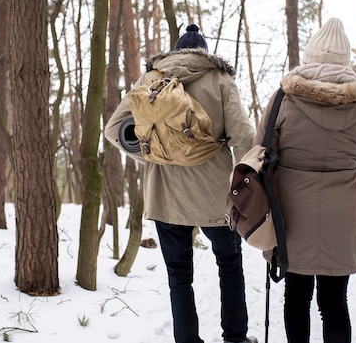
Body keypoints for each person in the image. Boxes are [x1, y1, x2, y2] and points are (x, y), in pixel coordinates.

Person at [105, 24, 257, 343]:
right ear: (204, 52)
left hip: (164, 194)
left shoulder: (150, 80)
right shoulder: (220, 79)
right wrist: (247, 184)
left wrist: (150, 155)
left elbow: (114, 130)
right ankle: (236, 338)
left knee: (178, 277)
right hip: (216, 195)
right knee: (229, 265)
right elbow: (242, 136)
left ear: (175, 52)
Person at [255, 18, 356, 343]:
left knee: (296, 297)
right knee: (333, 301)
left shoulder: (282, 100)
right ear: (346, 61)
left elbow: (259, 154)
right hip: (341, 218)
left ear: (310, 57)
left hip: (290, 217)